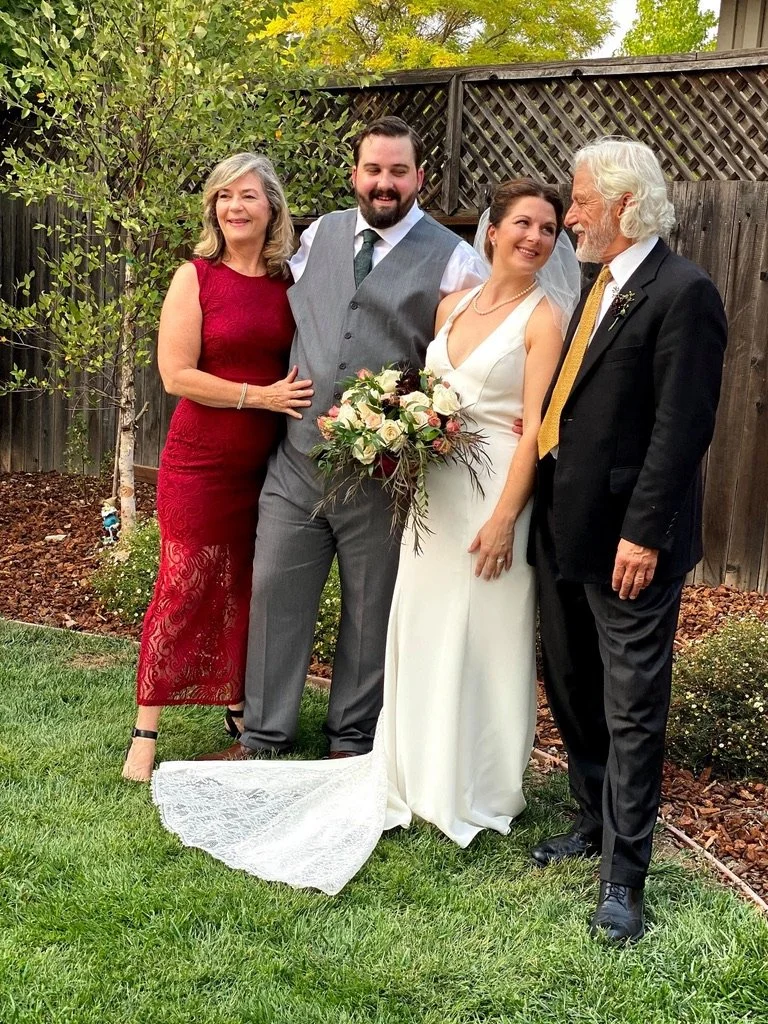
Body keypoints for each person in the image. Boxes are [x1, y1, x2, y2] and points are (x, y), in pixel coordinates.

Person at [151, 178, 579, 894]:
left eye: (547, 228)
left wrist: (506, 511)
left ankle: (423, 764)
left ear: (418, 179)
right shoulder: (393, 273)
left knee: (431, 621)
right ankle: (291, 740)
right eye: (522, 224)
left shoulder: (497, 290)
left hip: (470, 493)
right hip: (391, 477)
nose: (534, 237)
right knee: (394, 618)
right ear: (494, 229)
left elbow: (536, 419)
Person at [194, 116, 488, 764]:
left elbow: (474, 360)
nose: (384, 183)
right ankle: (262, 737)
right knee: (274, 592)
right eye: (373, 170)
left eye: (398, 171)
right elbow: (262, 298)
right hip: (295, 461)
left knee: (371, 608)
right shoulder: (316, 236)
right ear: (355, 174)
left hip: (381, 475)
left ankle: (351, 742)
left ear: (420, 177)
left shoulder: (455, 258)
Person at [529, 137, 727, 942]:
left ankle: (623, 877)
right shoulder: (599, 282)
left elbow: (682, 430)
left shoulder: (684, 293)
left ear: (623, 204)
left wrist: (644, 534)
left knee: (633, 703)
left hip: (628, 542)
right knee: (572, 682)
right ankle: (591, 817)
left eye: (580, 201)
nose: (569, 215)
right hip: (563, 525)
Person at [122, 153, 312, 782]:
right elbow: (176, 375)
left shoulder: (291, 284)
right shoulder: (195, 277)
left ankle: (237, 706)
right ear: (213, 208)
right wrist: (260, 397)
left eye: (248, 196)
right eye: (224, 196)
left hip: (268, 467)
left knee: (245, 588)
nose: (235, 207)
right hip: (199, 464)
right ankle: (145, 731)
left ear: (272, 207)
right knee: (182, 587)